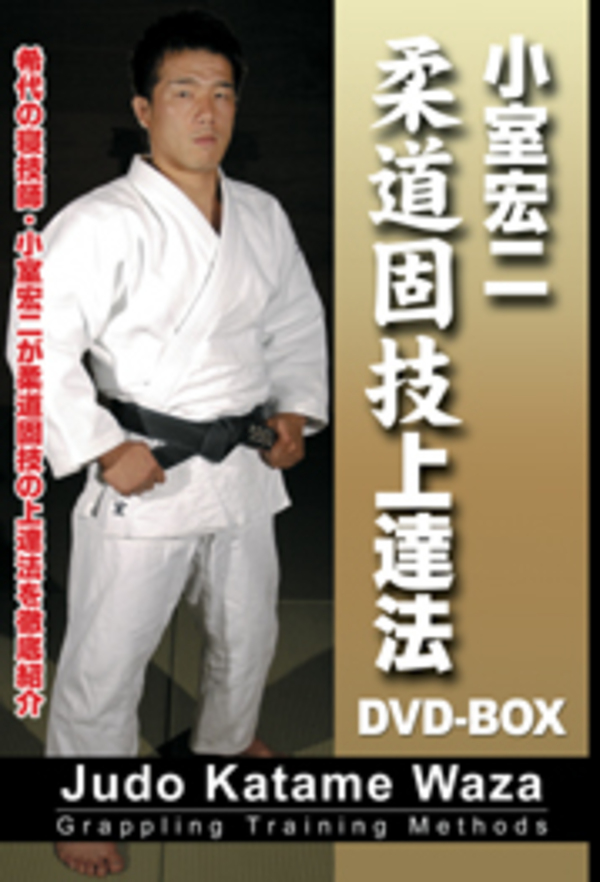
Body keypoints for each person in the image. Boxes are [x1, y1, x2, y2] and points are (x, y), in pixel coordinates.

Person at [7, 8, 327, 875]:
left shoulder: (261, 215)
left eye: (221, 93)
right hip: (145, 466)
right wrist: (101, 447)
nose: (206, 111)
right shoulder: (96, 222)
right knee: (109, 653)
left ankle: (224, 746)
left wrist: (295, 409)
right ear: (144, 110)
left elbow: (295, 324)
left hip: (243, 467)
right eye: (183, 92)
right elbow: (35, 344)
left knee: (248, 631)